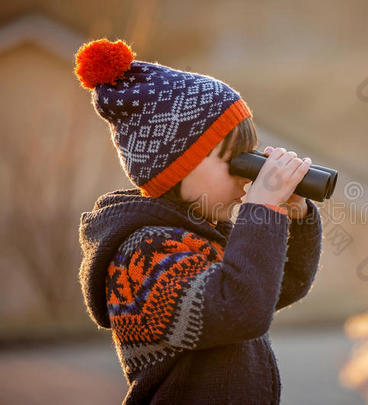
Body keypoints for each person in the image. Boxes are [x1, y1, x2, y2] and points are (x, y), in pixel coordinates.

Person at [76, 38, 323, 404]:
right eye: (234, 160)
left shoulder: (197, 236)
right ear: (177, 166)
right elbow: (239, 309)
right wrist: (261, 210)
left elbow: (277, 286)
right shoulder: (143, 256)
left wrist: (292, 213)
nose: (246, 176)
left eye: (249, 159)